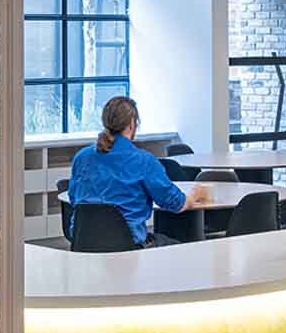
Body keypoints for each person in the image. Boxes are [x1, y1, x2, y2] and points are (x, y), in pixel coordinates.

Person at [66, 96, 214, 245]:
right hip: (128, 246)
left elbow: (74, 199)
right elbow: (175, 203)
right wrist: (194, 195)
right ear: (132, 124)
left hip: (84, 243)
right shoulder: (144, 161)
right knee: (179, 248)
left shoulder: (82, 157)